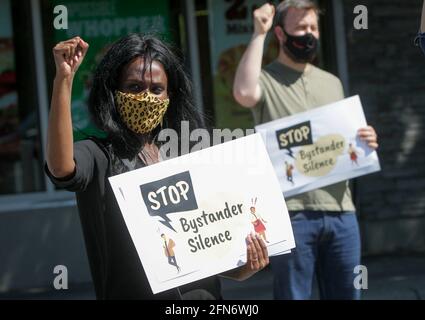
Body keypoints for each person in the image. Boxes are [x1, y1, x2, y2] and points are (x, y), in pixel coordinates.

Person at [45, 34, 269, 300]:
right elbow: (60, 168)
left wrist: (241, 267)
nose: (146, 97)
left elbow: (204, 245)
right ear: (114, 92)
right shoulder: (99, 155)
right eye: (134, 87)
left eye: (156, 89)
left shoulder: (189, 153)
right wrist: (64, 79)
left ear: (169, 95)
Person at [233, 1, 379, 300]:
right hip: (292, 214)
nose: (309, 34)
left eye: (313, 27)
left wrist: (366, 139)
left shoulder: (332, 82)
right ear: (281, 34)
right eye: (300, 28)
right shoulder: (266, 80)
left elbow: (343, 140)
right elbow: (244, 93)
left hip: (341, 211)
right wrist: (258, 34)